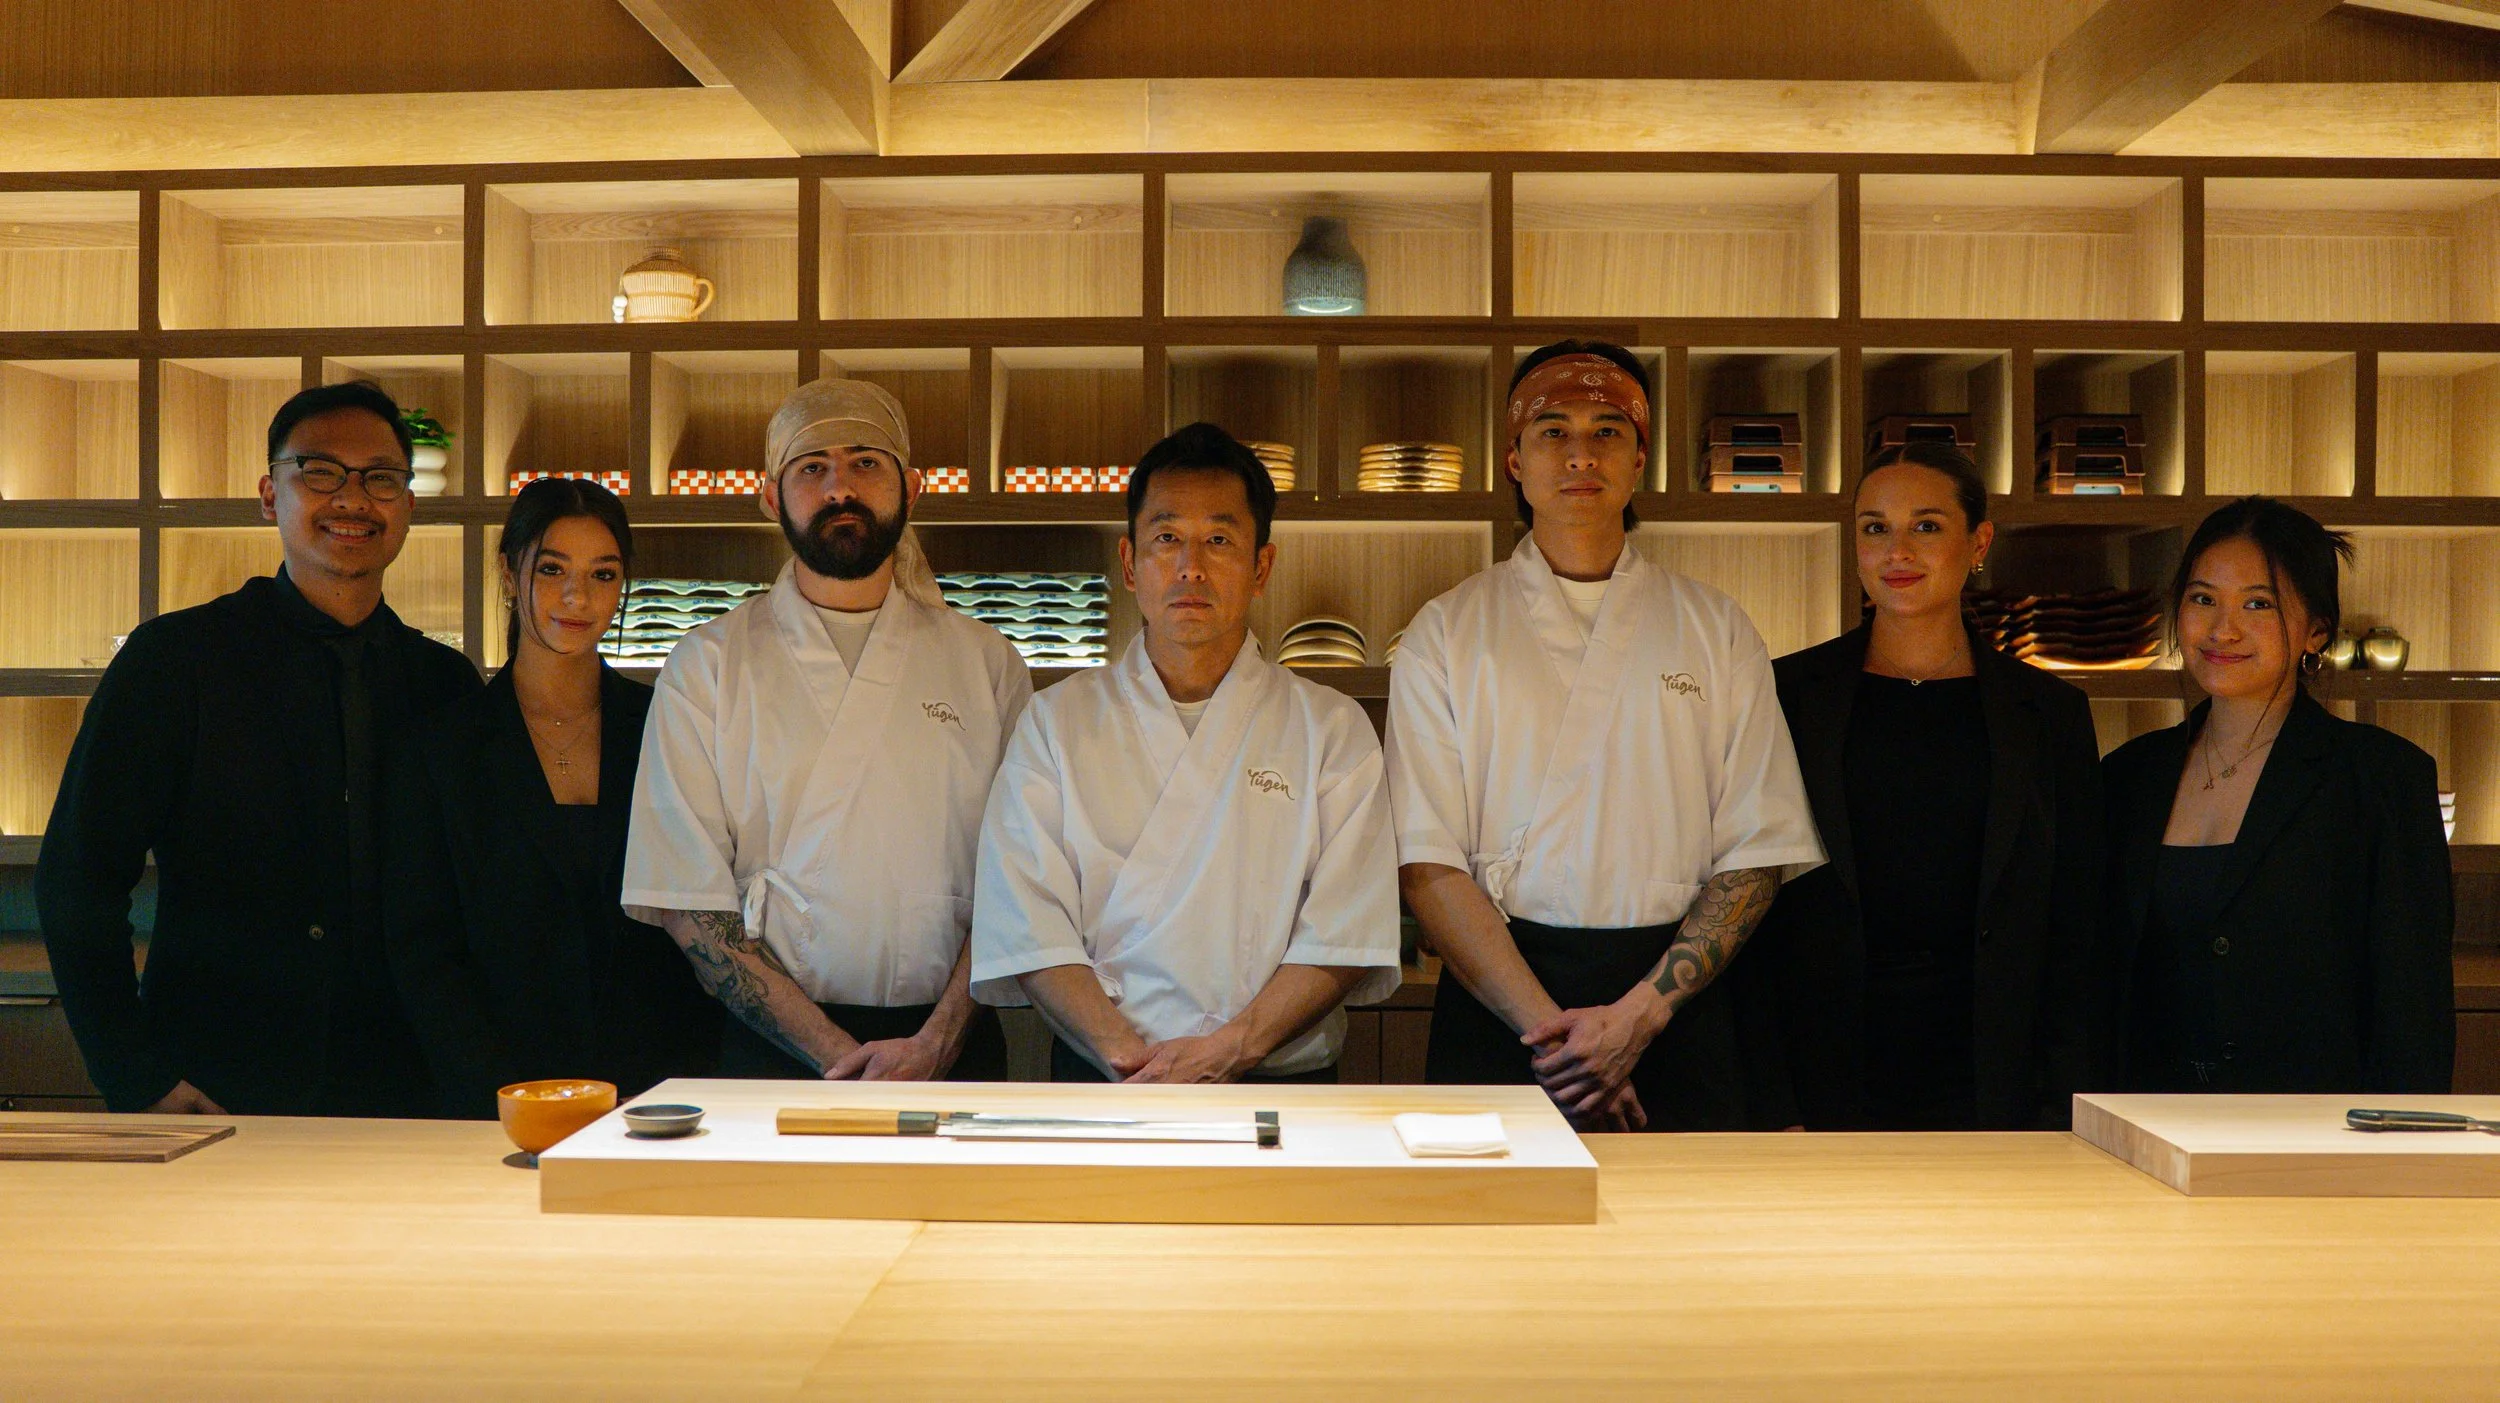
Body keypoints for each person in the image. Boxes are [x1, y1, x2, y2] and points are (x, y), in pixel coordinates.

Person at [1386, 340, 1823, 1132]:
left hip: (1675, 1005)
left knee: (1684, 1215)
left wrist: (1638, 1018)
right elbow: (1427, 865)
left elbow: (1757, 854)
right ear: (1514, 460)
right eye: (1552, 430)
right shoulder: (1445, 632)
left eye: (1607, 431)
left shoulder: (1717, 627)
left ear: (1640, 459)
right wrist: (1562, 1042)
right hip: (1504, 1003)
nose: (1580, 454)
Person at [37, 382, 481, 1116]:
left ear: (407, 504)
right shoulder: (176, 661)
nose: (352, 498)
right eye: (320, 471)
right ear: (270, 495)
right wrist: (136, 1074)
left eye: (380, 477)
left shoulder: (444, 683)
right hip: (217, 1085)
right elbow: (77, 879)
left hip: (413, 1091)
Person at [623, 378, 1029, 1082]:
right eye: (812, 467)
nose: (840, 487)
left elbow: (1024, 876)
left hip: (949, 1048)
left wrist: (935, 1044)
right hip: (775, 1051)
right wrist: (842, 1060)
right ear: (769, 497)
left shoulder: (986, 662)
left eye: (866, 462)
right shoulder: (708, 664)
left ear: (913, 489)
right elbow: (688, 904)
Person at [972, 423, 1401, 1082]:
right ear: (1129, 563)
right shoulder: (1056, 722)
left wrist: (1233, 1047)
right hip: (1108, 1076)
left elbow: (1345, 928)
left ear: (1261, 567)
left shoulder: (1330, 727)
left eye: (1219, 540)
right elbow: (1025, 919)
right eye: (1167, 538)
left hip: (1278, 1079)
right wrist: (1127, 1055)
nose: (1190, 567)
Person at [1740, 442, 2102, 1132]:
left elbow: (2076, 923)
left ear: (1979, 543)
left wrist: (2061, 1104)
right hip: (1824, 1070)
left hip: (1992, 1074)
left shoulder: (2049, 713)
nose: (1896, 551)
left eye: (1926, 526)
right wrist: (1772, 1101)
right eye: (1875, 527)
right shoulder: (1787, 695)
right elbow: (1752, 905)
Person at [386, 479, 721, 1117]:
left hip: (657, 1093)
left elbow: (701, 919)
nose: (578, 597)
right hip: (495, 1099)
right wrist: (495, 1094)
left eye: (603, 574)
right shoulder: (441, 746)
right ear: (508, 573)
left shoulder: (668, 727)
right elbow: (423, 951)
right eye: (551, 569)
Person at [2104, 497, 2453, 1094]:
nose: (2223, 629)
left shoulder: (2381, 779)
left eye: (2258, 604)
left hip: (2314, 1131)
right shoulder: (2125, 777)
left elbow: (2412, 1013)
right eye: (2203, 599)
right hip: (2141, 1124)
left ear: (2316, 629)